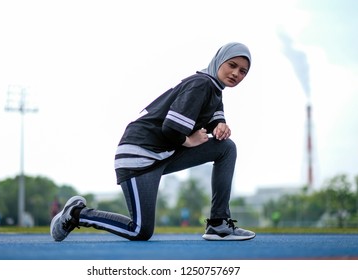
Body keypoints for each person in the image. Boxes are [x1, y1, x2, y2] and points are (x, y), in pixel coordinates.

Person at [50, 42, 256, 242]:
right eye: (232, 65)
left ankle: (218, 224)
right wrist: (190, 141)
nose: (236, 73)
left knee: (226, 147)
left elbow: (213, 117)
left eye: (243, 71)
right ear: (219, 61)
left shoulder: (214, 90)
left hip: (163, 152)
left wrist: (220, 125)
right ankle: (77, 214)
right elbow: (171, 127)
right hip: (139, 154)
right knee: (140, 231)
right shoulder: (201, 84)